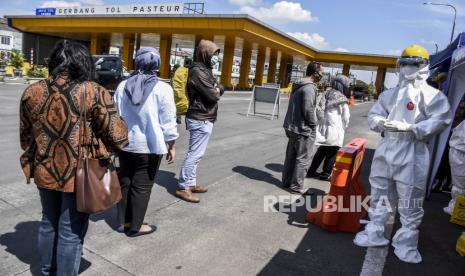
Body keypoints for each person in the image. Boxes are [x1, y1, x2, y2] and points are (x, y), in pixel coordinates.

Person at [19, 40, 129, 275]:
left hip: (44, 169)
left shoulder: (32, 91)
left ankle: (47, 271)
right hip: (79, 174)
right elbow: (117, 135)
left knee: (48, 222)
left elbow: (26, 136)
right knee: (71, 231)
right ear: (83, 62)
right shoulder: (93, 91)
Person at [353, 45, 452, 263]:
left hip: (412, 151)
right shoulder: (389, 95)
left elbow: (441, 120)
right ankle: (375, 231)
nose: (408, 68)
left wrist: (412, 128)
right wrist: (382, 123)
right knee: (379, 193)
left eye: (413, 64)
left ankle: (406, 242)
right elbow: (374, 115)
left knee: (410, 199)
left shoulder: (434, 96)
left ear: (424, 66)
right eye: (405, 63)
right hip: (387, 146)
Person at [114, 47, 179, 236]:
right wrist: (171, 145)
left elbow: (115, 115)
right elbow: (168, 119)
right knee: (142, 186)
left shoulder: (122, 86)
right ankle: (136, 226)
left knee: (125, 182)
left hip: (125, 144)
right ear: (157, 64)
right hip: (150, 146)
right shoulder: (163, 88)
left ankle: (123, 223)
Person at [176, 40, 224, 203]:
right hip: (200, 117)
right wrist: (219, 88)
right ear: (205, 54)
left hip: (204, 116)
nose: (216, 58)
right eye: (214, 55)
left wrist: (217, 87)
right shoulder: (198, 71)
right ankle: (183, 187)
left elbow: (215, 89)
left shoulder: (205, 70)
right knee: (194, 154)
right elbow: (214, 95)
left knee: (197, 154)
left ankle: (191, 182)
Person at [282, 62, 323, 194]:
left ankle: (286, 181)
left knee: (291, 156)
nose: (322, 76)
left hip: (291, 126)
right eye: (321, 74)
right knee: (303, 158)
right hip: (303, 128)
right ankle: (297, 186)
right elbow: (308, 109)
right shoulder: (309, 88)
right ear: (315, 73)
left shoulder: (299, 84)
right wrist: (313, 124)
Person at [307, 75, 351, 181]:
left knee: (322, 149)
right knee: (333, 149)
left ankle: (311, 170)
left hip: (323, 125)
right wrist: (344, 126)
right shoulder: (341, 97)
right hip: (335, 127)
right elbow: (346, 116)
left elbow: (318, 107)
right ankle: (326, 173)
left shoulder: (326, 93)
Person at [444, 120, 465, 214]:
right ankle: (456, 209)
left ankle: (456, 208)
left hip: (459, 152)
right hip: (460, 154)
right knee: (460, 184)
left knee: (460, 184)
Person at [172, 57, 193, 124]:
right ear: (190, 63)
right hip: (187, 102)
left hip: (178, 99)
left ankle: (178, 117)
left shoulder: (179, 70)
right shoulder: (190, 71)